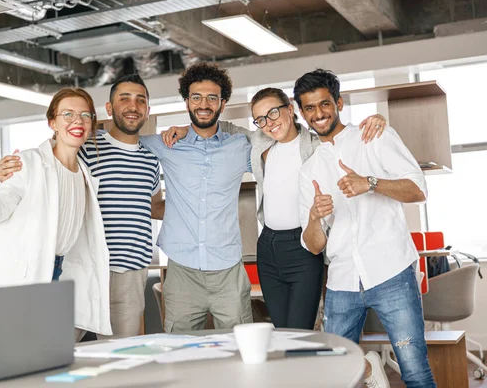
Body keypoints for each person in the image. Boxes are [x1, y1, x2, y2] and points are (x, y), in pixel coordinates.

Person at [162, 88, 386, 330]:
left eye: (273, 113)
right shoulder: (260, 142)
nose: (268, 123)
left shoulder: (314, 145)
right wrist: (187, 129)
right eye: (260, 119)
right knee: (280, 330)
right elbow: (223, 127)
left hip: (303, 248)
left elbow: (342, 137)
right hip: (268, 247)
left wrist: (377, 120)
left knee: (299, 331)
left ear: (290, 108)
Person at [297, 69, 436, 388]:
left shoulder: (373, 136)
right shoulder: (310, 171)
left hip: (391, 271)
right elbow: (314, 245)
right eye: (310, 107)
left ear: (339, 103)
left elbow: (418, 190)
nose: (319, 113)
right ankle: (370, 369)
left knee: (414, 370)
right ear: (302, 113)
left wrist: (370, 183)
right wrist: (315, 217)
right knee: (334, 375)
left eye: (324, 104)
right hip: (342, 281)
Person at [0, 75, 163, 339]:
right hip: (83, 266)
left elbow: (154, 206)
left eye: (140, 100)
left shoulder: (151, 159)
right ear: (109, 109)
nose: (133, 106)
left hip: (131, 272)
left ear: (147, 111)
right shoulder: (88, 145)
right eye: (124, 99)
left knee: (122, 358)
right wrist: (15, 168)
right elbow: (50, 159)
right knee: (56, 348)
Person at [0, 88, 111, 358]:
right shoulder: (28, 163)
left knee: (29, 373)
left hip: (51, 280)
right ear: (53, 123)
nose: (78, 121)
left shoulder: (84, 175)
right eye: (68, 114)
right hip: (8, 287)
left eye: (86, 115)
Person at [139, 62, 253, 332]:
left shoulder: (239, 147)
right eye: (197, 97)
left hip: (229, 272)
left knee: (242, 350)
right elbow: (121, 142)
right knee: (181, 354)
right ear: (187, 102)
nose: (204, 104)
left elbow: (275, 139)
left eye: (212, 98)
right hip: (182, 272)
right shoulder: (166, 145)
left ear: (222, 104)